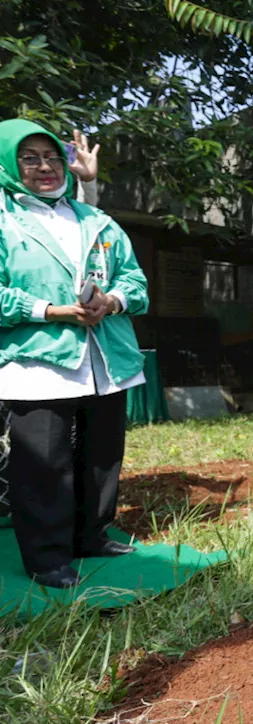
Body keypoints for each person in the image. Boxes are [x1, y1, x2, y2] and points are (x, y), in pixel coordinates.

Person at [0, 119, 150, 588]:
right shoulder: (5, 220)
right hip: (37, 360)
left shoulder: (94, 219)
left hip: (105, 358)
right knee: (43, 461)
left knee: (102, 454)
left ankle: (93, 534)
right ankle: (47, 557)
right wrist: (48, 310)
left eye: (52, 157)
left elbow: (135, 281)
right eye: (30, 158)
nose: (45, 167)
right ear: (8, 162)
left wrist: (112, 301)